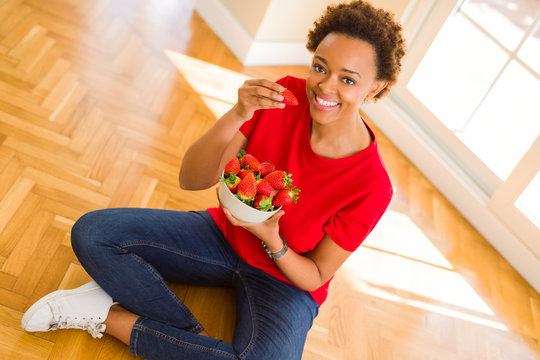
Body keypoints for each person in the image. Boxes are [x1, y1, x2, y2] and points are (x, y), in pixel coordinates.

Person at [20, 1, 406, 359]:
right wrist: (239, 112)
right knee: (93, 233)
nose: (325, 87)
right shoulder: (283, 96)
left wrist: (272, 239)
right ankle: (190, 340)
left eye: (348, 80)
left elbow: (316, 275)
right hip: (223, 237)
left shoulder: (371, 185)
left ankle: (109, 317)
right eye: (320, 67)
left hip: (285, 283)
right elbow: (192, 178)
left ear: (375, 87)